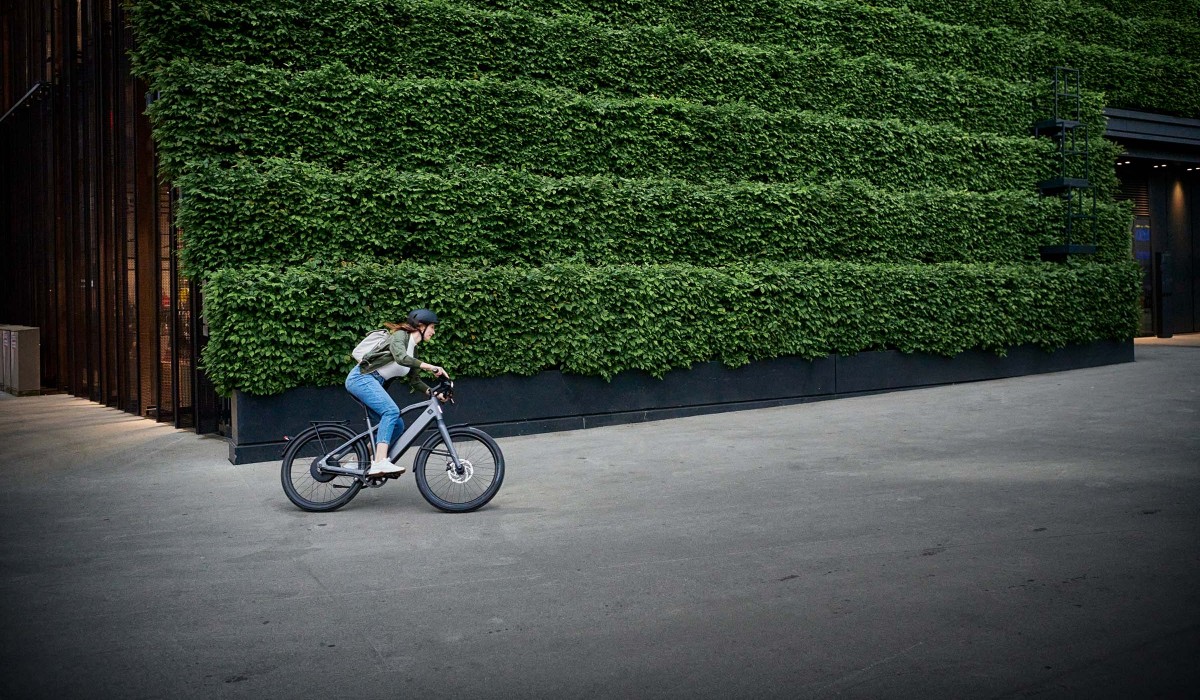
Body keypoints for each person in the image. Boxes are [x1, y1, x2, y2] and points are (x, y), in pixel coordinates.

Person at [345, 308, 448, 477]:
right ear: (421, 326)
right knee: (391, 411)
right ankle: (379, 462)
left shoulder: (413, 351)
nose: (434, 332)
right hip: (361, 378)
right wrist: (431, 366)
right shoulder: (400, 336)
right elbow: (400, 357)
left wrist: (434, 393)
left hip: (373, 382)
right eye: (432, 327)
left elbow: (415, 381)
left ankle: (358, 461)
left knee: (398, 426)